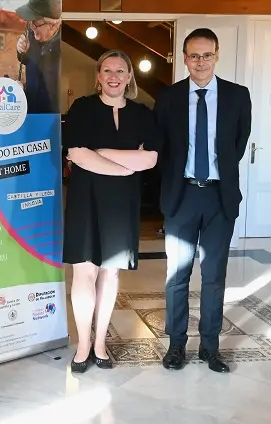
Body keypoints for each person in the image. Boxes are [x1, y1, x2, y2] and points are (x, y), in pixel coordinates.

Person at [154, 28, 252, 373]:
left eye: (206, 55)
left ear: (217, 55)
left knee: (213, 276)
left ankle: (211, 348)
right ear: (184, 58)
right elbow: (162, 148)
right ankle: (176, 346)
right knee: (177, 276)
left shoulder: (238, 96)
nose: (200, 62)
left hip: (219, 198)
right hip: (181, 196)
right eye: (194, 55)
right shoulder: (168, 97)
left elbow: (237, 146)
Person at [63, 50, 159, 373]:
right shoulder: (83, 107)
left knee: (110, 273)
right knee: (84, 272)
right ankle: (83, 345)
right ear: (98, 76)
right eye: (107, 70)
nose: (114, 76)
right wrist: (124, 166)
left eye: (120, 70)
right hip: (86, 200)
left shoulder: (142, 113)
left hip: (121, 203)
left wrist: (102, 153)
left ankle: (100, 343)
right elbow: (77, 154)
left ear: (129, 76)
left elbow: (150, 159)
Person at [15, 0, 61, 114]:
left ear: (52, 25)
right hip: (31, 111)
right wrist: (21, 50)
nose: (32, 27)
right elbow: (26, 60)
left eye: (35, 23)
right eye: (30, 22)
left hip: (52, 115)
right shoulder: (31, 35)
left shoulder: (63, 45)